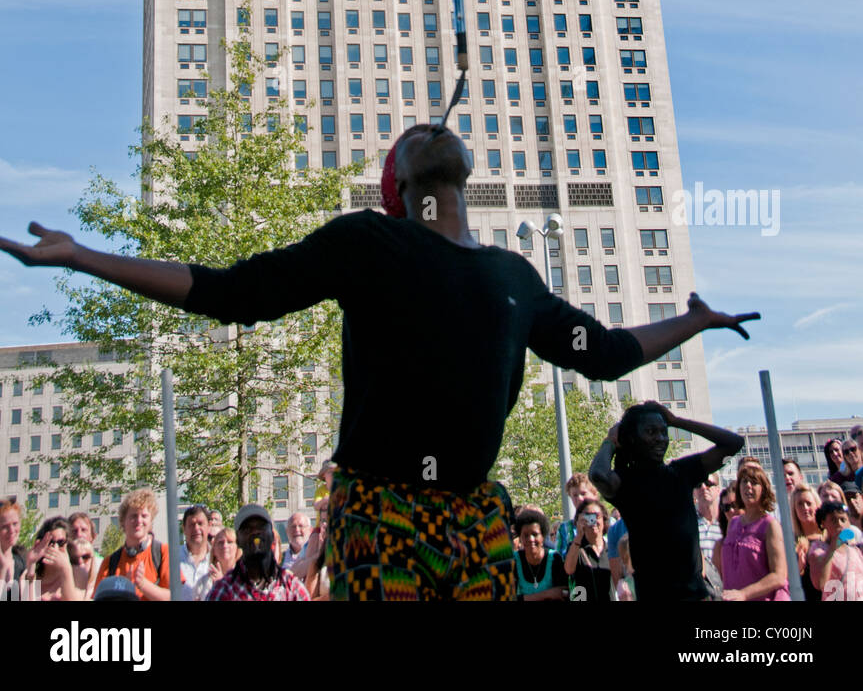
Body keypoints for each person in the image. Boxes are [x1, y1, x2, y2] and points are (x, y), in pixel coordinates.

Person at [0, 127, 760, 602]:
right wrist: (84, 257)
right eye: (408, 141)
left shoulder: (515, 277)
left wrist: (691, 320)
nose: (425, 130)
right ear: (399, 191)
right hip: (379, 512)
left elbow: (613, 355)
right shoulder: (369, 243)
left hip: (475, 523)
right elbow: (233, 293)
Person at [590, 400, 744, 602]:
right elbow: (598, 474)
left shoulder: (683, 472)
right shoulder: (624, 482)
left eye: (664, 432)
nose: (661, 439)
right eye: (651, 432)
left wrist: (677, 421)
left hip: (695, 595)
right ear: (632, 438)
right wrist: (610, 440)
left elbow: (733, 444)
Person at [206, 505, 309, 601]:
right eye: (247, 529)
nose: (255, 532)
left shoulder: (292, 587)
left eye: (261, 527)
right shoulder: (224, 590)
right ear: (238, 540)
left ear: (272, 536)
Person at [720, 461, 789, 601]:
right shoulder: (733, 523)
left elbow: (779, 576)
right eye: (744, 482)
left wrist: (744, 594)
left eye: (754, 482)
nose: (748, 486)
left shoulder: (770, 525)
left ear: (764, 489)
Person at [93, 488, 171, 601]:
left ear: (151, 522)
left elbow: (175, 596)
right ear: (123, 522)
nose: (139, 520)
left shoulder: (163, 553)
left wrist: (142, 584)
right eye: (133, 516)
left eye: (144, 516)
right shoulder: (110, 562)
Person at [809, 501, 863, 602]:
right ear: (823, 523)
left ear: (849, 522)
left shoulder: (855, 551)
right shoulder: (818, 551)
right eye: (833, 520)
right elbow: (820, 583)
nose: (839, 523)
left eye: (843, 519)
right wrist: (832, 548)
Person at [563, 497, 613, 602]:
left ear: (604, 519)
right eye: (588, 516)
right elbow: (569, 569)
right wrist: (579, 536)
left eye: (596, 516)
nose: (592, 520)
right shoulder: (575, 548)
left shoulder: (611, 549)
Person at [513, 509, 568, 601]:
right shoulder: (514, 560)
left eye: (535, 534)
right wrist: (547, 594)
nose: (531, 539)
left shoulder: (555, 558)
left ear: (543, 536)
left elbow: (562, 593)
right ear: (520, 538)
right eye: (525, 535)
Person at [23, 517, 78, 601]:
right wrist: (31, 564)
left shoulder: (78, 572)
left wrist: (66, 569)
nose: (55, 548)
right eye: (50, 542)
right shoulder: (29, 575)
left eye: (61, 542)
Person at [790, 486, 824, 603]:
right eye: (800, 504)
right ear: (794, 509)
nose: (805, 508)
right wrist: (799, 568)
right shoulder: (791, 544)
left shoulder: (830, 538)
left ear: (817, 505)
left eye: (809, 503)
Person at [554, 473, 600, 558]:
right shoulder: (564, 529)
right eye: (575, 495)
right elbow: (559, 559)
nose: (579, 498)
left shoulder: (610, 524)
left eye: (583, 493)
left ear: (594, 494)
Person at [693, 473, 723, 595]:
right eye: (699, 485)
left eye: (709, 484)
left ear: (718, 489)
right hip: (700, 590)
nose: (704, 488)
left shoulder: (729, 521)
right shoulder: (688, 523)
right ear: (694, 492)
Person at [178, 504, 212, 601]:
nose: (196, 528)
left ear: (209, 526)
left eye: (200, 523)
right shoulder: (172, 558)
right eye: (191, 525)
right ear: (184, 529)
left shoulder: (218, 558)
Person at [195, 526, 238, 601]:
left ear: (237, 548)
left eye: (230, 542)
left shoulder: (245, 578)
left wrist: (222, 583)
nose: (225, 546)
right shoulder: (203, 582)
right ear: (214, 550)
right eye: (221, 542)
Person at [711, 484, 741, 586]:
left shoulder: (759, 535)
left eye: (734, 505)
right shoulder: (720, 546)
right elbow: (717, 582)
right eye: (726, 507)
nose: (731, 510)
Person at [67, 513, 99, 600]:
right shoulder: (59, 569)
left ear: (93, 536)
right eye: (74, 531)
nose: (79, 535)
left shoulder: (105, 565)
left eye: (83, 530)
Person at [0, 499, 26, 600]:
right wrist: (3, 568)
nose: (11, 531)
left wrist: (31, 565)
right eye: (5, 527)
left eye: (15, 524)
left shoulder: (21, 562)